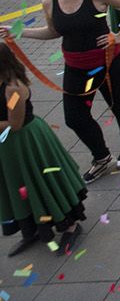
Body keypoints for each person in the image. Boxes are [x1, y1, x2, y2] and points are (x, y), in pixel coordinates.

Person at [15, 0, 120, 182]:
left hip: (108, 62)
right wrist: (21, 33)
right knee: (74, 117)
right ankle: (101, 156)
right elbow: (53, 32)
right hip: (76, 65)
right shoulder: (50, 1)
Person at [0, 37, 88, 255]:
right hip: (8, 146)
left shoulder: (13, 89)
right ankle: (34, 228)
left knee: (42, 181)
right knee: (20, 186)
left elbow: (15, 123)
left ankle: (70, 225)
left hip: (27, 142)